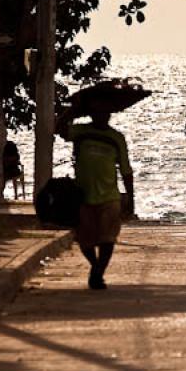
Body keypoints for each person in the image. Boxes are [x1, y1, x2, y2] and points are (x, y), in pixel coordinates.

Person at [56, 101, 134, 290]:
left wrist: (131, 198)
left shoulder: (116, 138)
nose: (101, 115)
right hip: (83, 195)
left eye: (105, 112)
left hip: (109, 196)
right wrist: (71, 112)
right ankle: (95, 266)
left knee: (108, 238)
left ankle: (97, 273)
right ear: (91, 113)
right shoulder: (81, 132)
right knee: (85, 239)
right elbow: (59, 129)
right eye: (97, 111)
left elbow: (126, 170)